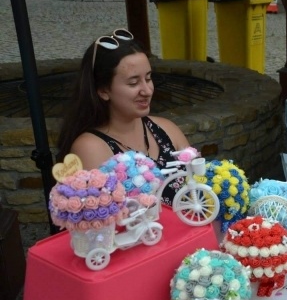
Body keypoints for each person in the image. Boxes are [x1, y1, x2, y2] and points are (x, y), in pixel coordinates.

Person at [56, 29, 191, 205]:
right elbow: (99, 221)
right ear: (103, 91)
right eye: (133, 83)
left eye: (148, 79)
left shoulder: (167, 129)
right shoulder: (90, 148)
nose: (147, 90)